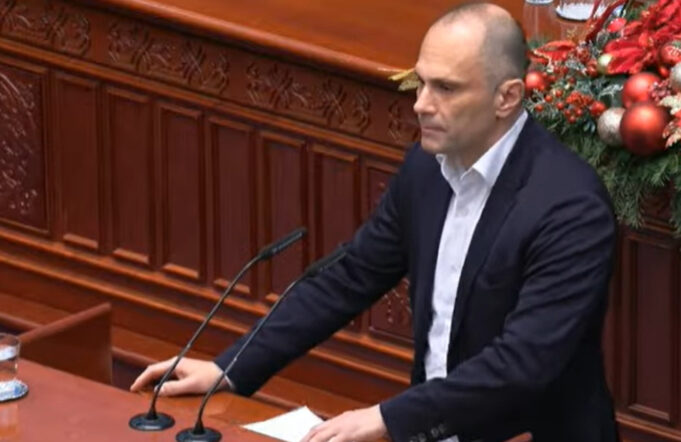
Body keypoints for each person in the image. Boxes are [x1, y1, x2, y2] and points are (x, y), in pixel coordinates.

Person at [131, 3, 619, 441]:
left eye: (446, 88)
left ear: (507, 98)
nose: (421, 103)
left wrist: (388, 418)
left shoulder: (570, 207)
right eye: (421, 82)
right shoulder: (426, 170)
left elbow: (521, 364)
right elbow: (348, 279)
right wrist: (230, 368)